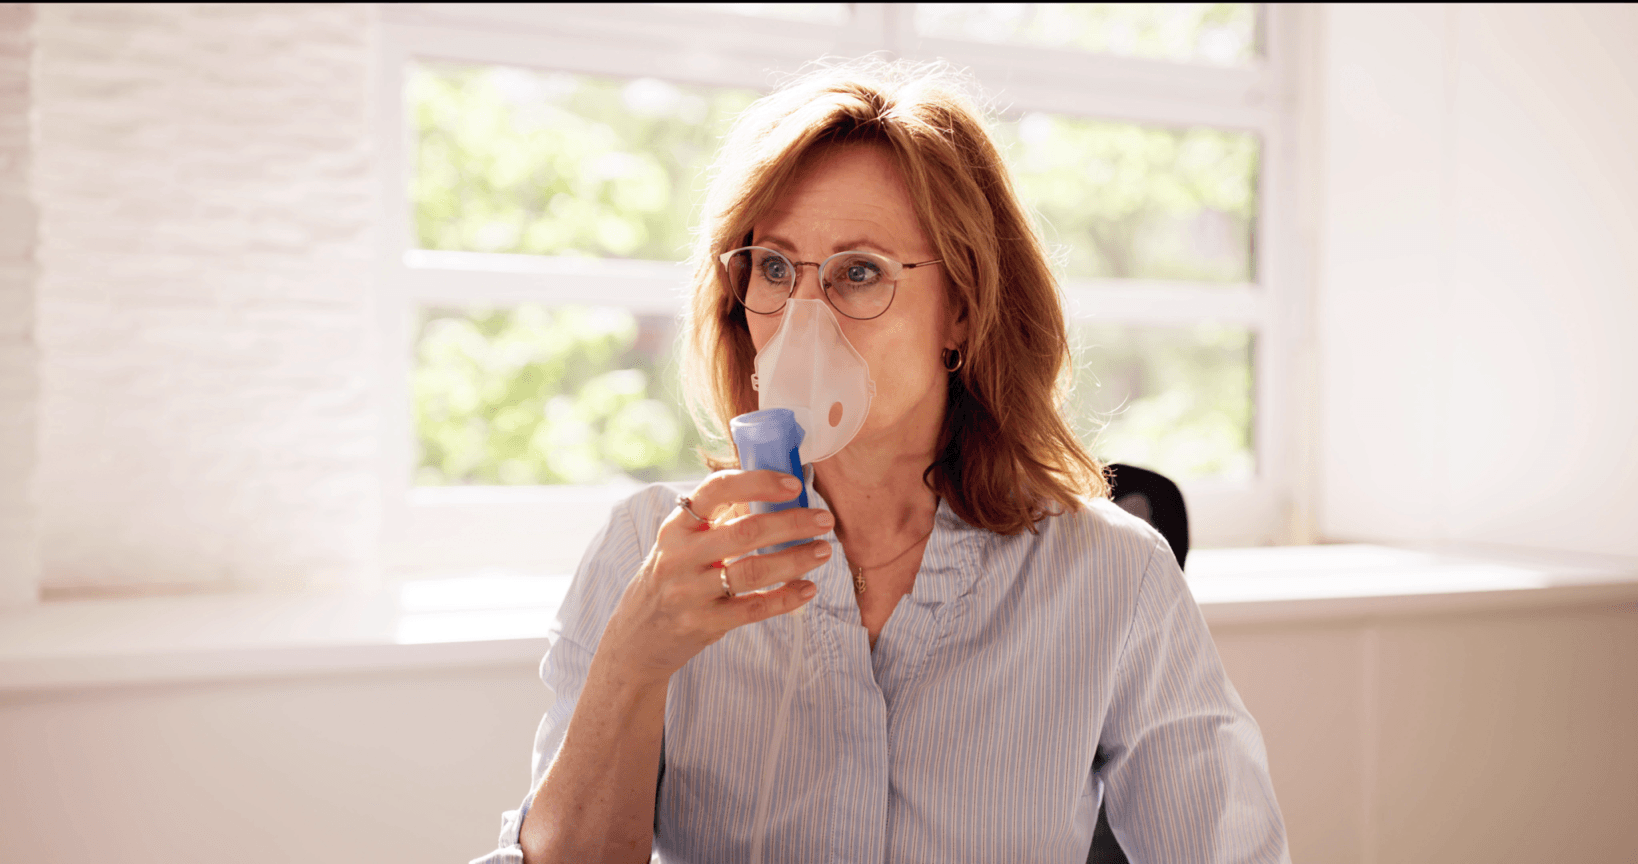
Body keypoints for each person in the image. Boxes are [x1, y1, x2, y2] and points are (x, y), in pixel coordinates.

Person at [474, 59, 1288, 864]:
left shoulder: (1112, 576)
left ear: (963, 310)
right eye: (775, 267)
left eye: (858, 273)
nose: (803, 315)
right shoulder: (654, 553)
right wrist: (635, 657)